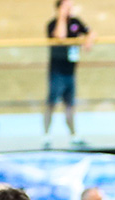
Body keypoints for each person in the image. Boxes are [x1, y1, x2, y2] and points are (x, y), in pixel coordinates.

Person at [43, 0, 91, 148]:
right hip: (56, 71)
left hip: (70, 71)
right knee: (51, 104)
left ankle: (73, 135)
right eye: (66, 6)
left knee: (70, 105)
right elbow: (60, 36)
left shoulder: (76, 22)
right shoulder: (52, 24)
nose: (70, 8)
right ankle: (46, 136)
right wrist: (62, 17)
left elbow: (90, 32)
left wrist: (88, 41)